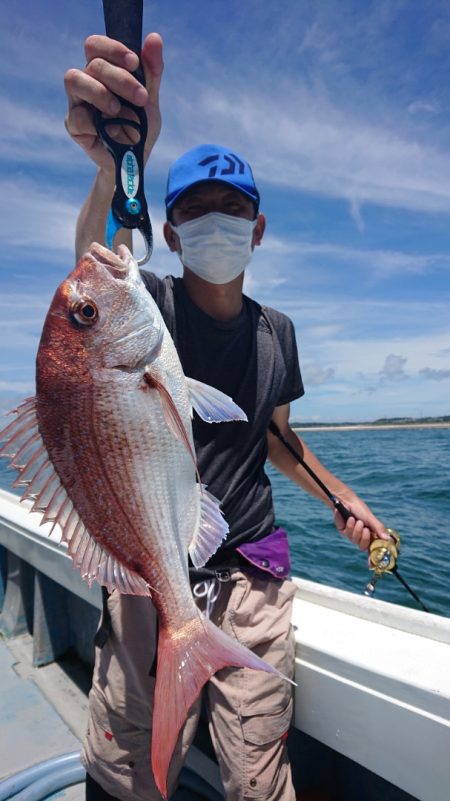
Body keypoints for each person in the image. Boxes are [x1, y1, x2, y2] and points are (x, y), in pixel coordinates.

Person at [64, 33, 389, 801]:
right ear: (170, 233)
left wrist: (342, 495)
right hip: (149, 567)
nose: (217, 221)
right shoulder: (148, 307)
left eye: (233, 208)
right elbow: (92, 278)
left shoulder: (278, 332)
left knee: (257, 772)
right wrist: (116, 170)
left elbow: (277, 437)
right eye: (197, 210)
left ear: (258, 229)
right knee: (127, 769)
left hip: (252, 566)